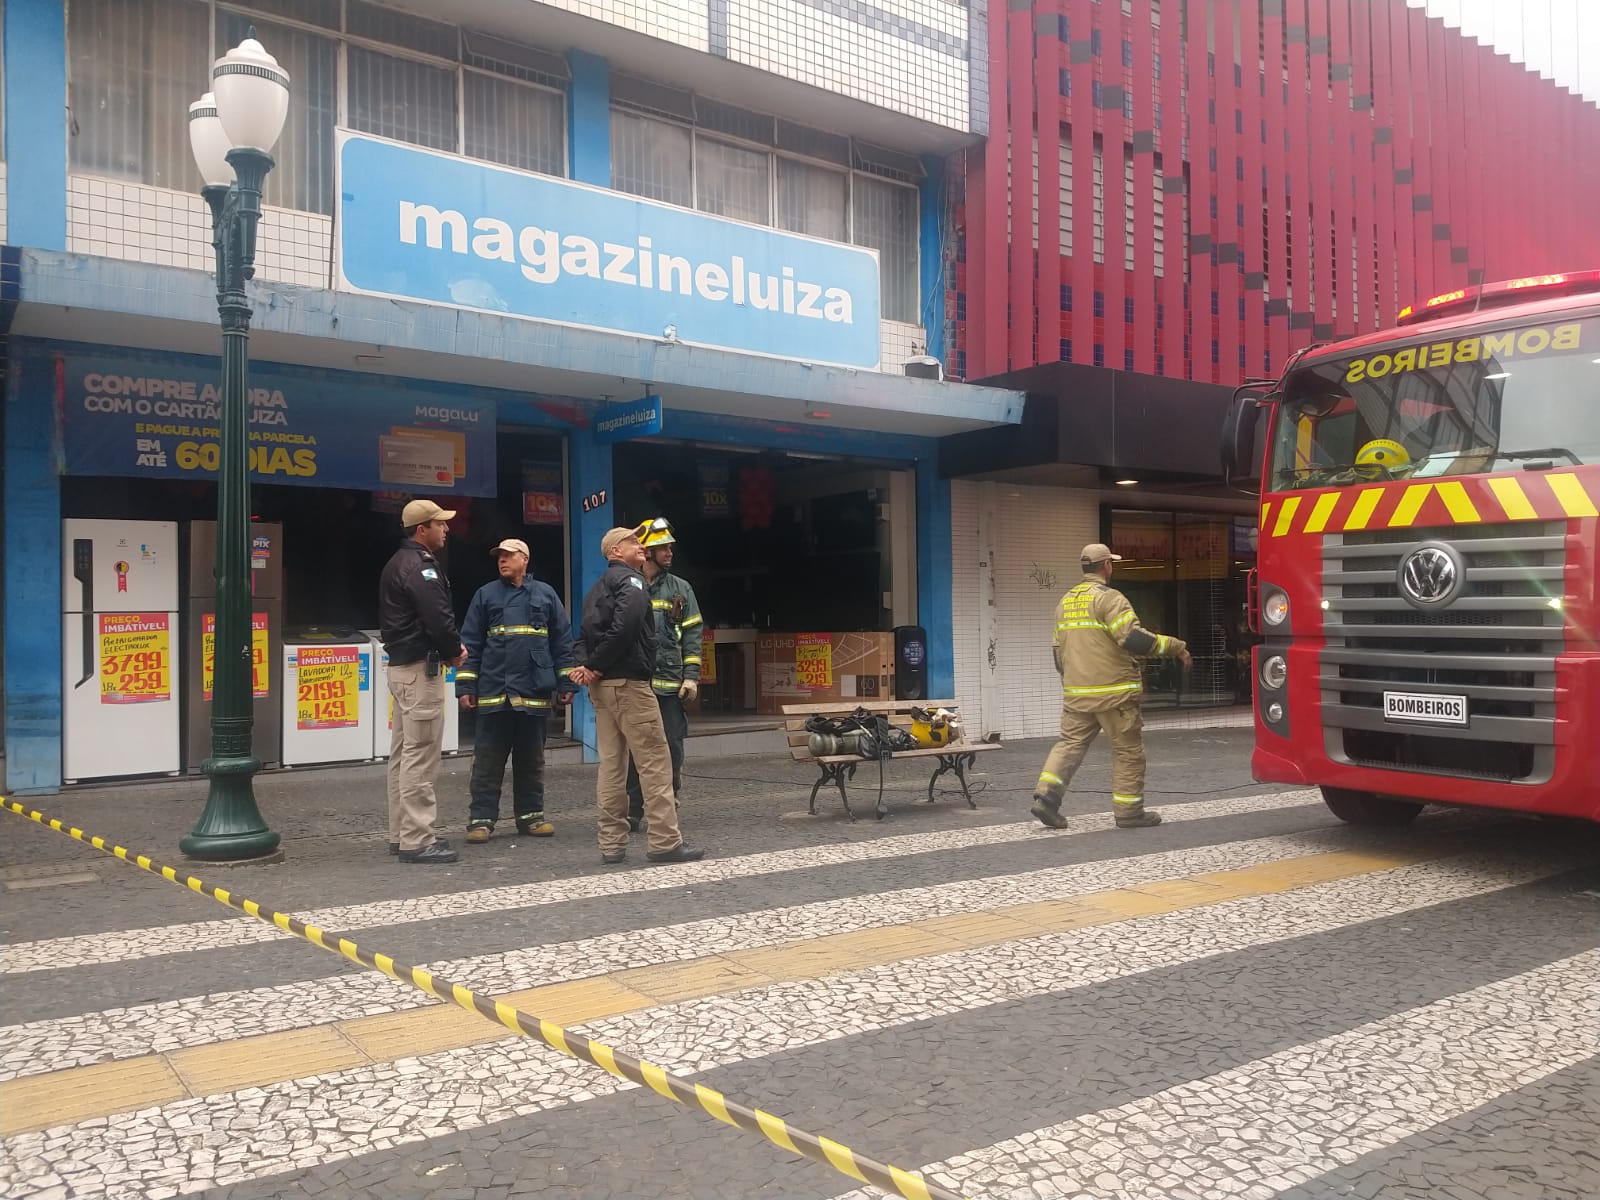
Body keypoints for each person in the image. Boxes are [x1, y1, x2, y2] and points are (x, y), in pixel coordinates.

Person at [1030, 542, 1192, 831]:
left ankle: (1046, 798)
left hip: (1077, 694)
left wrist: (1075, 681)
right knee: (1128, 752)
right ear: (1106, 566)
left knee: (1069, 745)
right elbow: (1132, 639)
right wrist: (1176, 646)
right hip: (1114, 694)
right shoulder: (1109, 598)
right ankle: (1129, 812)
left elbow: (1058, 654)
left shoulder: (1064, 602)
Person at [570, 525, 707, 866]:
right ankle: (664, 842)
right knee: (655, 763)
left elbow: (583, 635)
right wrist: (597, 666)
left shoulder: (597, 588)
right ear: (616, 551)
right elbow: (626, 627)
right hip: (631, 687)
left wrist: (586, 667)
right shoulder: (632, 582)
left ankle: (611, 845)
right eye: (633, 541)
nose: (640, 545)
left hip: (603, 692)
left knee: (612, 767)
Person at [456, 538, 577, 843]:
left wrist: (567, 683)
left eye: (509, 556)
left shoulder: (546, 594)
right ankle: (481, 821)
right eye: (499, 557)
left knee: (531, 760)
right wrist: (466, 686)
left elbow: (562, 642)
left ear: (525, 559)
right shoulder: (486, 595)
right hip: (494, 695)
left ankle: (531, 817)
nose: (502, 561)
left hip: (533, 695)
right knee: (487, 762)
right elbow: (470, 644)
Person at [379, 499, 468, 864]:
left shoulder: (396, 563)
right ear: (422, 529)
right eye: (440, 524)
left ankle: (402, 833)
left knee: (403, 754)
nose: (446, 529)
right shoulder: (421, 567)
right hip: (420, 672)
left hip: (401, 670)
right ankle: (418, 839)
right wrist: (453, 650)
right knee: (421, 755)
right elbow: (438, 617)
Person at [624, 517, 703, 832]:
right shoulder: (628, 584)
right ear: (647, 550)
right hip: (637, 683)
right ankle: (633, 808)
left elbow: (693, 632)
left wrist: (691, 675)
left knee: (671, 745)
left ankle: (667, 802)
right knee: (635, 747)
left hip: (670, 685)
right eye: (662, 546)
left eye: (669, 546)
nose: (669, 551)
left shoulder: (680, 588)